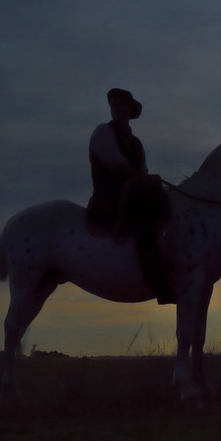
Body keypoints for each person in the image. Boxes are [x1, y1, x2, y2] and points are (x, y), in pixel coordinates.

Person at [86, 88, 175, 303]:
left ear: (129, 109)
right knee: (148, 207)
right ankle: (155, 278)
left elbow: (141, 172)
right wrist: (145, 180)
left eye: (120, 104)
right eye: (113, 105)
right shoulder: (103, 132)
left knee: (163, 198)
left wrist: (150, 180)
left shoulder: (136, 143)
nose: (116, 108)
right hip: (111, 199)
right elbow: (117, 164)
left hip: (132, 194)